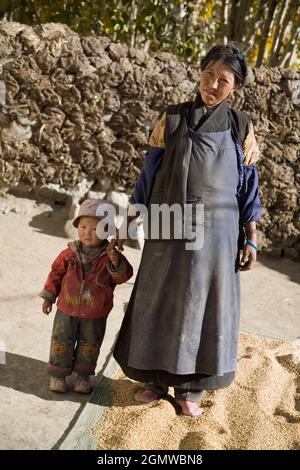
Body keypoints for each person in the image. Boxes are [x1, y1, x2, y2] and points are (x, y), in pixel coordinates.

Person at [112, 44, 261, 416]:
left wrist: (252, 238)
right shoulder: (173, 118)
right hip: (168, 220)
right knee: (158, 298)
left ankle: (191, 389)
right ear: (199, 74)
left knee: (204, 304)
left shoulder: (241, 126)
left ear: (235, 87)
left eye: (222, 80)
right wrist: (128, 221)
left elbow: (248, 186)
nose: (212, 84)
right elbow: (149, 174)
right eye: (207, 75)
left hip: (218, 232)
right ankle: (153, 380)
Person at [40, 198, 133, 393]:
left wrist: (116, 264)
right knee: (61, 341)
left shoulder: (110, 255)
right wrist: (49, 296)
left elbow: (123, 276)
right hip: (66, 309)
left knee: (89, 345)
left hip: (95, 313)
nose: (87, 232)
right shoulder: (69, 253)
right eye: (82, 226)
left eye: (94, 229)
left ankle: (83, 377)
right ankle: (58, 375)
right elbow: (56, 274)